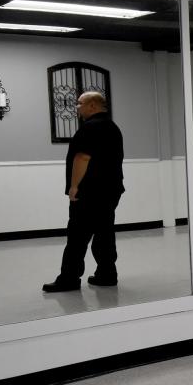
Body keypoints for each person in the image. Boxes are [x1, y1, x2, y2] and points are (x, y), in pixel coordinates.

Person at [42, 91, 125, 292]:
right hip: (111, 190)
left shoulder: (90, 128)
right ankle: (107, 274)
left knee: (77, 236)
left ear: (92, 106)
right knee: (104, 233)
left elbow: (82, 158)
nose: (76, 107)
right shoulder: (112, 127)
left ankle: (69, 278)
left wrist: (74, 186)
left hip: (90, 192)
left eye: (79, 103)